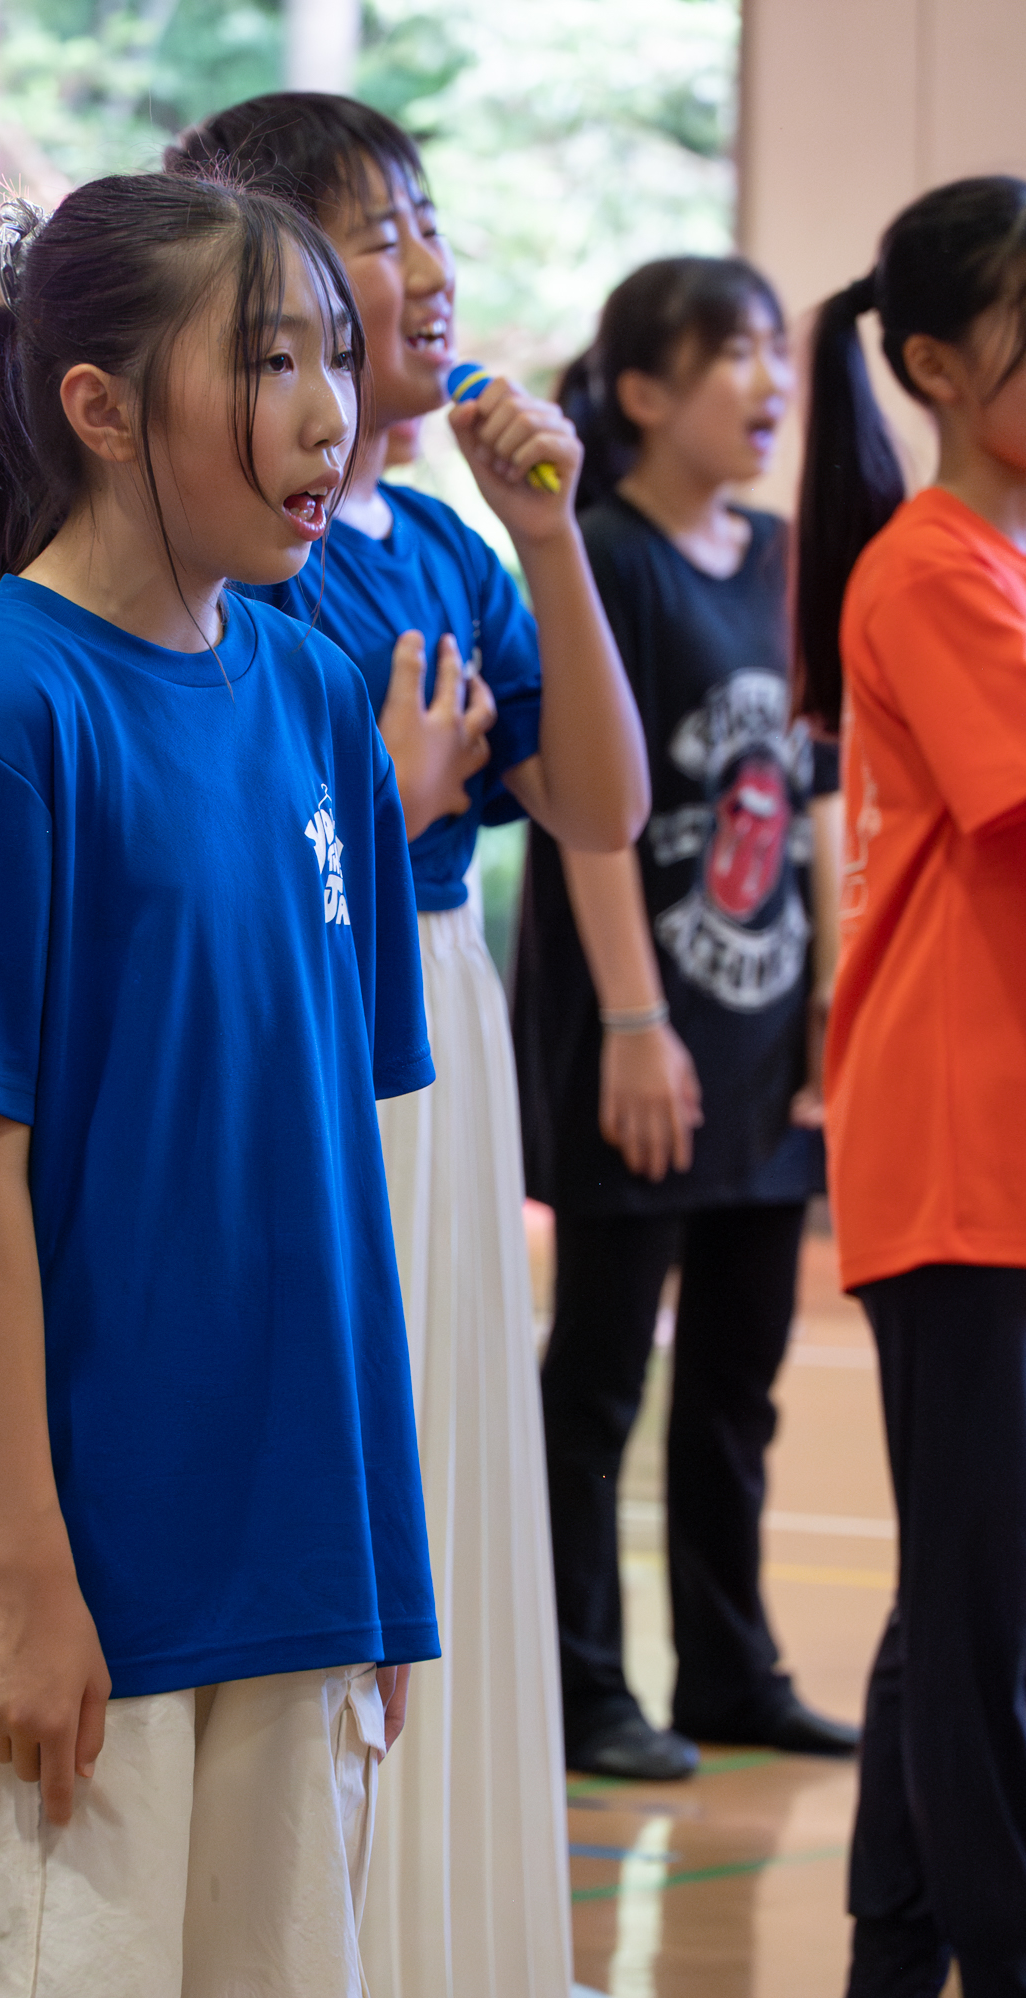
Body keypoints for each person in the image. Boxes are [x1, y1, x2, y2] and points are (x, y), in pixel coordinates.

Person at [0, 174, 439, 1998]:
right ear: (101, 406)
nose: (323, 414)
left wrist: (384, 1562)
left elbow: (329, 1187)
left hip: (288, 1572)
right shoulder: (5, 715)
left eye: (334, 361)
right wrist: (25, 1580)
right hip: (70, 1599)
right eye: (264, 363)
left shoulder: (301, 699)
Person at [168, 93, 648, 1998]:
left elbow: (606, 806)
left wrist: (552, 532)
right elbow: (236, 866)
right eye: (376, 233)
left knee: (430, 1548)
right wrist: (376, 794)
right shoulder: (225, 574)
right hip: (306, 1049)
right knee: (326, 1577)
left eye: (432, 224)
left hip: (445, 1032)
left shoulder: (439, 543)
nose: (425, 266)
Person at [514, 258, 857, 1781]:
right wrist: (639, 1019)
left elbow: (821, 793)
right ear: (644, 392)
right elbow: (592, 815)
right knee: (596, 1381)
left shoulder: (788, 558)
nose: (771, 383)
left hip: (767, 1035)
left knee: (737, 1382)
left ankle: (733, 1666)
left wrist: (836, 1001)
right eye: (736, 355)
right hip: (642, 1033)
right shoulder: (606, 554)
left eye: (780, 352)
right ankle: (583, 1680)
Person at [794, 176, 1026, 1998]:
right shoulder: (932, 567)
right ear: (940, 364)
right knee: (985, 1626)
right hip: (966, 1151)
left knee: (962, 1604)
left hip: (997, 1155)